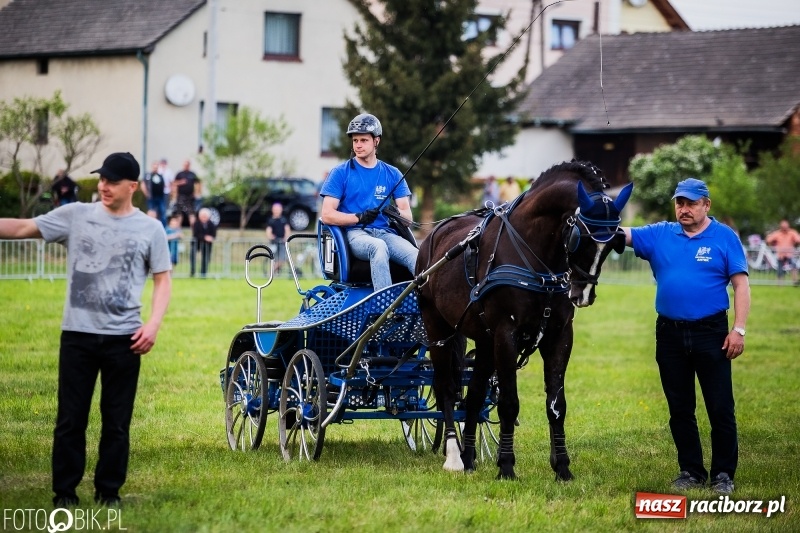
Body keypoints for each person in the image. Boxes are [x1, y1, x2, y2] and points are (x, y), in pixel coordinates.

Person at [0, 152, 172, 507]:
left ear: (132, 187)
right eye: (102, 179)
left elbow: (162, 280)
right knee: (70, 421)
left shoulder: (150, 229)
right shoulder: (76, 216)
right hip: (77, 336)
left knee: (117, 422)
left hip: (125, 338)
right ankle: (65, 493)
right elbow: (21, 228)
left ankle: (109, 492)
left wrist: (153, 324)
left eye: (111, 181)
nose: (103, 186)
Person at [622, 177, 750, 495]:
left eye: (692, 203)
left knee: (720, 406)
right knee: (680, 408)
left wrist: (739, 329)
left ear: (706, 204)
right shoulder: (660, 234)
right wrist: (593, 216)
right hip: (669, 334)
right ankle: (691, 471)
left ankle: (723, 475)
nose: (685, 208)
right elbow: (619, 235)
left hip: (712, 332)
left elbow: (741, 285)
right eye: (680, 202)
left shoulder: (724, 237)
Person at [319, 113, 417, 290]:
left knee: (416, 256)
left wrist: (395, 213)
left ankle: (424, 307)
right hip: (356, 234)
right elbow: (327, 215)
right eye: (355, 140)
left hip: (387, 234)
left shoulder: (393, 173)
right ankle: (384, 309)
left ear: (376, 141)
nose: (358, 145)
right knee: (377, 247)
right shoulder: (340, 173)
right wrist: (358, 217)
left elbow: (408, 218)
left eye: (363, 140)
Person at [765, 219, 800, 284]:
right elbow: (768, 240)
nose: (784, 228)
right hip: (780, 254)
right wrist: (772, 242)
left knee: (794, 267)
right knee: (779, 270)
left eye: (785, 226)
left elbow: (798, 240)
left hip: (790, 254)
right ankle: (780, 284)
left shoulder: (792, 233)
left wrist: (795, 243)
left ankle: (795, 282)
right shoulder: (777, 233)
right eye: (783, 226)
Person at [265, 202, 291, 274]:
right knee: (273, 258)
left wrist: (285, 238)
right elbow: (268, 231)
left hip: (282, 243)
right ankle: (272, 271)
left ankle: (272, 271)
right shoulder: (270, 220)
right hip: (274, 242)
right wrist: (272, 237)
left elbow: (287, 230)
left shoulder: (284, 220)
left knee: (282, 258)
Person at [173, 159, 200, 227]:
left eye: (187, 165)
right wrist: (180, 182)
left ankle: (193, 229)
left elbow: (198, 183)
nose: (186, 166)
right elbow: (174, 183)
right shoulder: (179, 174)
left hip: (190, 196)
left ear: (189, 165)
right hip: (181, 196)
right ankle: (177, 228)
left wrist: (196, 192)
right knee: (179, 213)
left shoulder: (192, 174)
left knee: (191, 213)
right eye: (185, 165)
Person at [190, 207, 216, 277]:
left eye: (205, 216)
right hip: (197, 243)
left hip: (207, 245)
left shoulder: (211, 224)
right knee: (192, 256)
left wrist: (210, 238)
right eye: (202, 216)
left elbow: (213, 235)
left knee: (206, 258)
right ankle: (192, 272)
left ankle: (203, 273)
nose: (204, 217)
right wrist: (205, 237)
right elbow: (196, 234)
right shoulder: (196, 224)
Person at [141, 161, 167, 226]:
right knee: (151, 212)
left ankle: (163, 227)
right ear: (152, 167)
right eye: (154, 166)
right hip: (151, 197)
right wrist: (146, 193)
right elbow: (143, 184)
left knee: (162, 212)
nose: (155, 168)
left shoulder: (160, 176)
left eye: (156, 167)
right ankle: (149, 226)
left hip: (160, 197)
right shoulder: (148, 175)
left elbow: (163, 185)